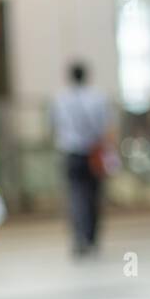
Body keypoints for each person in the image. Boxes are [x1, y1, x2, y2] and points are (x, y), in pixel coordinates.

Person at [50, 61, 112, 258]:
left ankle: (78, 237)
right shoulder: (98, 98)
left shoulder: (60, 99)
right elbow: (106, 127)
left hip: (71, 153)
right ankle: (92, 237)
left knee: (76, 196)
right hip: (94, 153)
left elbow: (53, 125)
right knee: (94, 196)